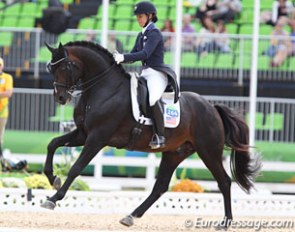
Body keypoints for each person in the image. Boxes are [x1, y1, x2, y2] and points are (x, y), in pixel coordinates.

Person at [113, 1, 179, 149]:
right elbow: (134, 54)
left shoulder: (154, 32)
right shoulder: (141, 34)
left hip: (157, 73)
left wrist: (124, 57)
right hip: (145, 73)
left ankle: (160, 135)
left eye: (141, 16)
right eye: (137, 17)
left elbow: (145, 54)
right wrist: (116, 60)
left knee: (152, 99)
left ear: (150, 16)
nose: (139, 20)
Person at [0, 58, 27, 171]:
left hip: (2, 112)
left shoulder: (7, 77)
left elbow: (9, 93)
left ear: (2, 66)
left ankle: (3, 163)